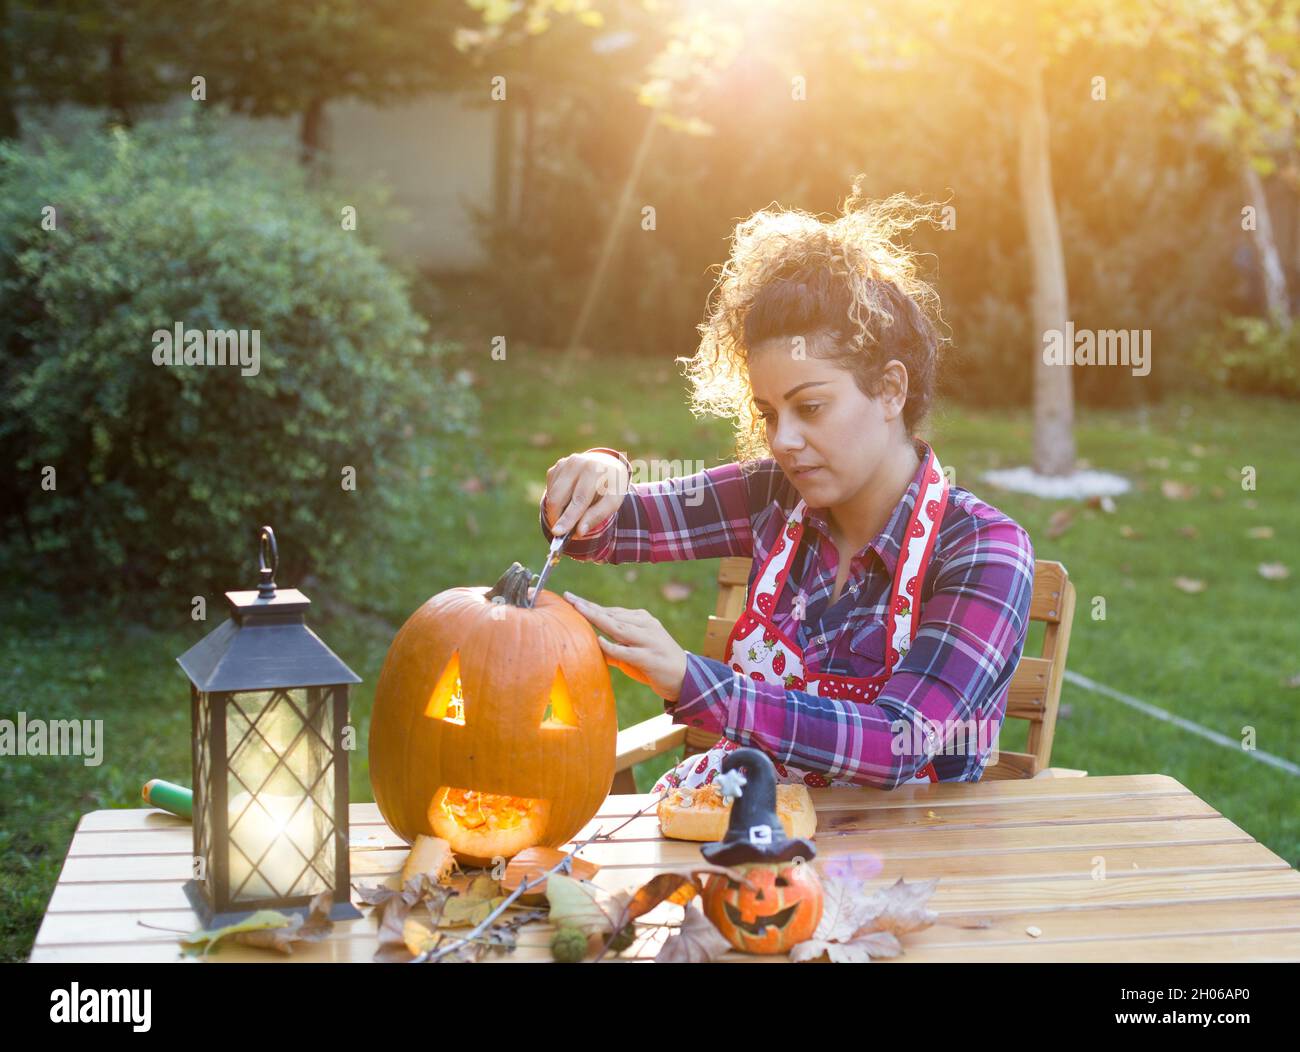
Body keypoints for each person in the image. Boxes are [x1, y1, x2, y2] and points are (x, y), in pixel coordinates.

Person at [537, 182, 1035, 792]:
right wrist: (598, 472)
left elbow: (897, 741)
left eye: (811, 408)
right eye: (769, 414)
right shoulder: (773, 496)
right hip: (746, 846)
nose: (782, 441)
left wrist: (695, 682)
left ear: (889, 390)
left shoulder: (984, 550)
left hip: (912, 868)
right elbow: (607, 531)